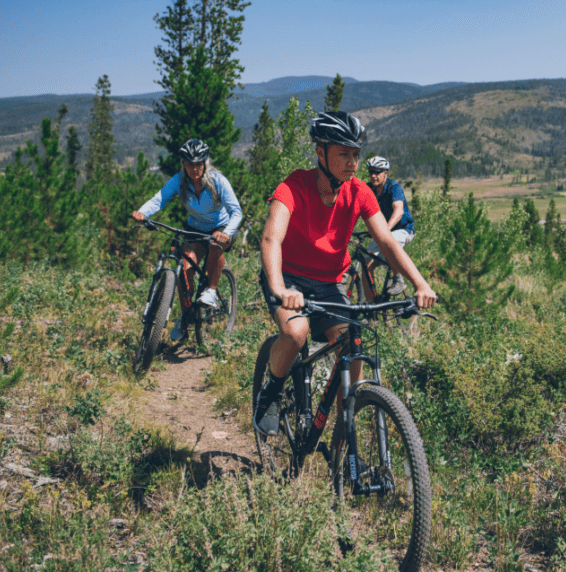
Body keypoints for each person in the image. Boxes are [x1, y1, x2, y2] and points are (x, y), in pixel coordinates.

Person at [255, 111, 436, 436]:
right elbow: (272, 238)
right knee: (296, 334)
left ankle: (344, 433)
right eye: (344, 154)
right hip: (289, 279)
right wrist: (281, 289)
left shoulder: (359, 192)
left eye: (356, 154)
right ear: (321, 153)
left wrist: (419, 282)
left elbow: (387, 241)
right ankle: (271, 392)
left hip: (328, 285)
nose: (353, 162)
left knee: (353, 348)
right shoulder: (294, 186)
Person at [132, 139, 242, 342]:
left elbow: (237, 211)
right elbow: (160, 198)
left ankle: (211, 290)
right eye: (190, 164)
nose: (194, 168)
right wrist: (142, 212)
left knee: (215, 245)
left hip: (221, 227)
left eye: (199, 163)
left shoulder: (217, 181)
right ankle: (186, 316)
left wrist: (227, 232)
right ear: (183, 164)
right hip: (195, 228)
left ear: (205, 162)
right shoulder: (179, 181)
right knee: (184, 268)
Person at [363, 155, 415, 296]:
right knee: (365, 265)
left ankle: (398, 279)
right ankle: (370, 310)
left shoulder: (394, 187)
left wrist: (384, 229)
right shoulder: (369, 189)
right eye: (371, 172)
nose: (373, 176)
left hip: (404, 230)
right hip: (384, 233)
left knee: (387, 242)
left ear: (385, 173)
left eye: (377, 172)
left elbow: (398, 210)